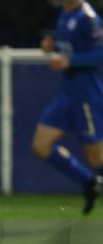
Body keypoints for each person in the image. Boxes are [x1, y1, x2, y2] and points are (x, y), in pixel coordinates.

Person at [32, 0, 103, 214]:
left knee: (96, 158)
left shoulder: (88, 18)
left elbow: (100, 53)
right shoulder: (65, 13)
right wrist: (52, 46)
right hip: (67, 96)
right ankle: (89, 183)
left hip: (86, 97)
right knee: (41, 145)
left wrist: (69, 62)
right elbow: (70, 46)